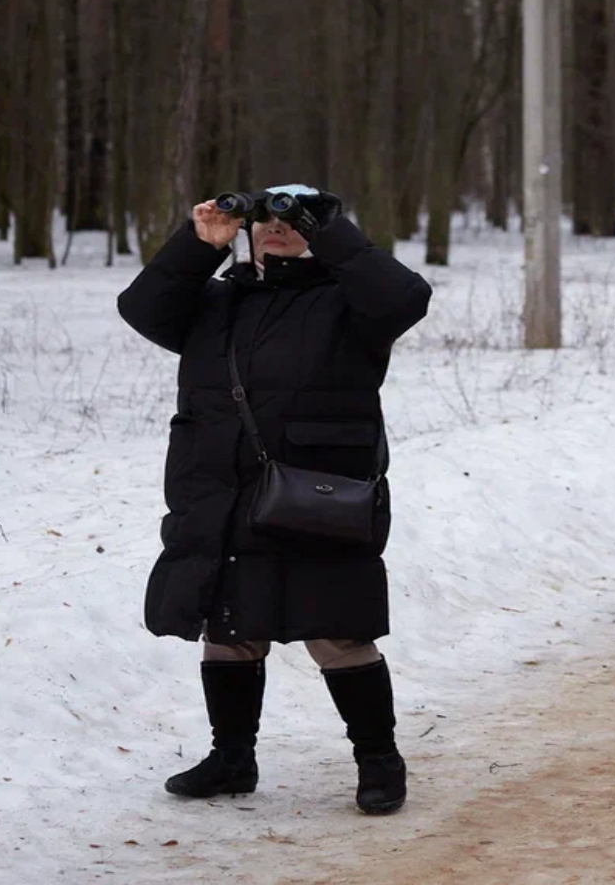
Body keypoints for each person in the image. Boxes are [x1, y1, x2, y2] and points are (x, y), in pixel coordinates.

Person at [116, 185, 431, 814]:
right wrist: (197, 245)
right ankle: (232, 756)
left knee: (338, 632)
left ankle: (378, 759)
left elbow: (406, 297)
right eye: (262, 218)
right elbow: (142, 308)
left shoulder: (350, 304)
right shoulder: (217, 300)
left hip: (317, 494)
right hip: (220, 491)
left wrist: (331, 234)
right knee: (229, 628)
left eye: (294, 219)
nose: (275, 227)